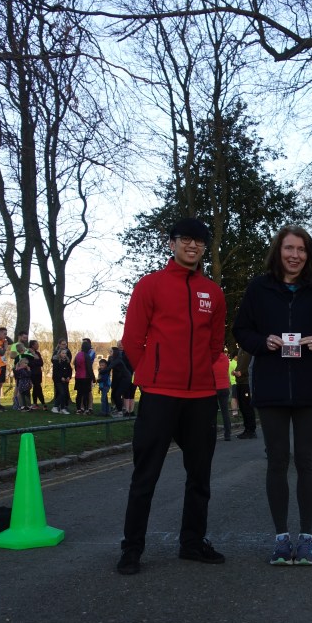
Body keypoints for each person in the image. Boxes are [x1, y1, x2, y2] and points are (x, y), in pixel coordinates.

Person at [117, 218, 227, 576]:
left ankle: (192, 543)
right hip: (160, 394)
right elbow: (133, 341)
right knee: (145, 476)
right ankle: (131, 549)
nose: (192, 246)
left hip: (201, 396)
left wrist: (199, 373)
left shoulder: (214, 291)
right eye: (185, 240)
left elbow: (214, 344)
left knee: (200, 476)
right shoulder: (150, 286)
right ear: (172, 244)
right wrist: (154, 373)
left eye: (199, 241)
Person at [234, 225, 312, 566]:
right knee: (278, 461)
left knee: (307, 461)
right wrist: (261, 342)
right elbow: (241, 329)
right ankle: (281, 538)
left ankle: (307, 537)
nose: (294, 255)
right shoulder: (259, 287)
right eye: (288, 248)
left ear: (308, 254)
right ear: (278, 252)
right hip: (271, 385)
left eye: (301, 249)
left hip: (309, 385)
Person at [233, 347, 257, 439]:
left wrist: (242, 373)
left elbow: (251, 366)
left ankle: (251, 430)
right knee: (242, 407)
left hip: (246, 382)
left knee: (247, 407)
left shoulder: (250, 349)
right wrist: (235, 371)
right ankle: (247, 429)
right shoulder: (240, 349)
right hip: (239, 382)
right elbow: (240, 365)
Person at [213, 353, 233, 440]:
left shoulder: (212, 357)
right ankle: (227, 434)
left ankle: (212, 434)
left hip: (214, 388)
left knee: (212, 412)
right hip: (225, 387)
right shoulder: (225, 358)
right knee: (225, 412)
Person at [74, 337, 95, 414]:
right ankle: (86, 409)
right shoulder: (87, 356)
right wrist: (93, 378)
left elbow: (75, 365)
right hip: (86, 377)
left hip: (78, 377)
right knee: (86, 393)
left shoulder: (77, 355)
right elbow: (89, 368)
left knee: (79, 394)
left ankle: (78, 409)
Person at [50, 347, 72, 414]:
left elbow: (70, 370)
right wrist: (61, 377)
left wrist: (69, 377)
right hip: (58, 380)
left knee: (64, 393)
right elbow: (56, 371)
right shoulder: (56, 361)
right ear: (59, 354)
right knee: (61, 392)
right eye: (63, 353)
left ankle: (62, 408)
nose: (64, 354)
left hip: (65, 380)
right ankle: (55, 406)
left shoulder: (67, 361)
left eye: (65, 353)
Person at [28, 340, 46, 410]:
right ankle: (43, 403)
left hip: (38, 373)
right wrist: (36, 361)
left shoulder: (37, 353)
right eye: (36, 344)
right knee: (38, 387)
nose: (38, 346)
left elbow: (41, 363)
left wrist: (36, 361)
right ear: (32, 345)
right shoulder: (28, 353)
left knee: (36, 388)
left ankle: (35, 403)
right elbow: (30, 363)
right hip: (33, 373)